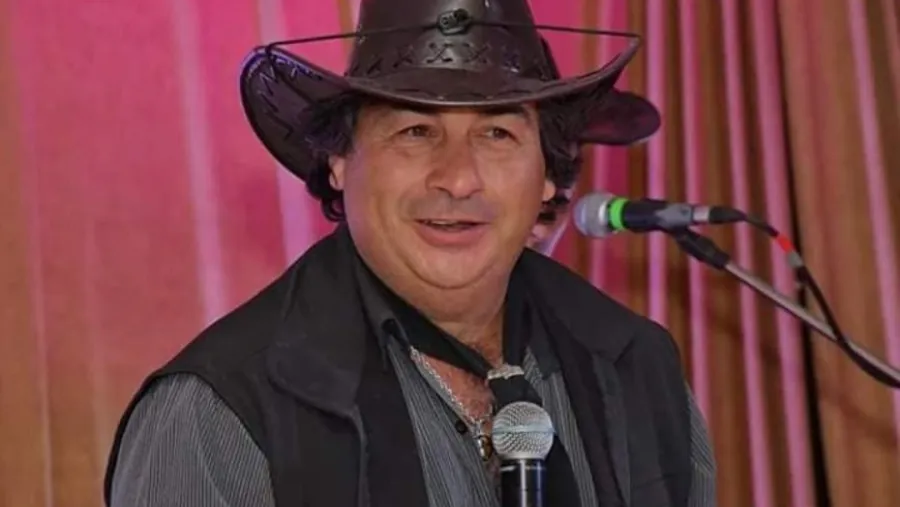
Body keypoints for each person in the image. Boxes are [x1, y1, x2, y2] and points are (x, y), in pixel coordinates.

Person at [104, 1, 716, 506]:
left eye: (497, 133)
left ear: (549, 177)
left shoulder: (635, 366)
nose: (458, 177)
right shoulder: (220, 411)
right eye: (415, 131)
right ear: (339, 161)